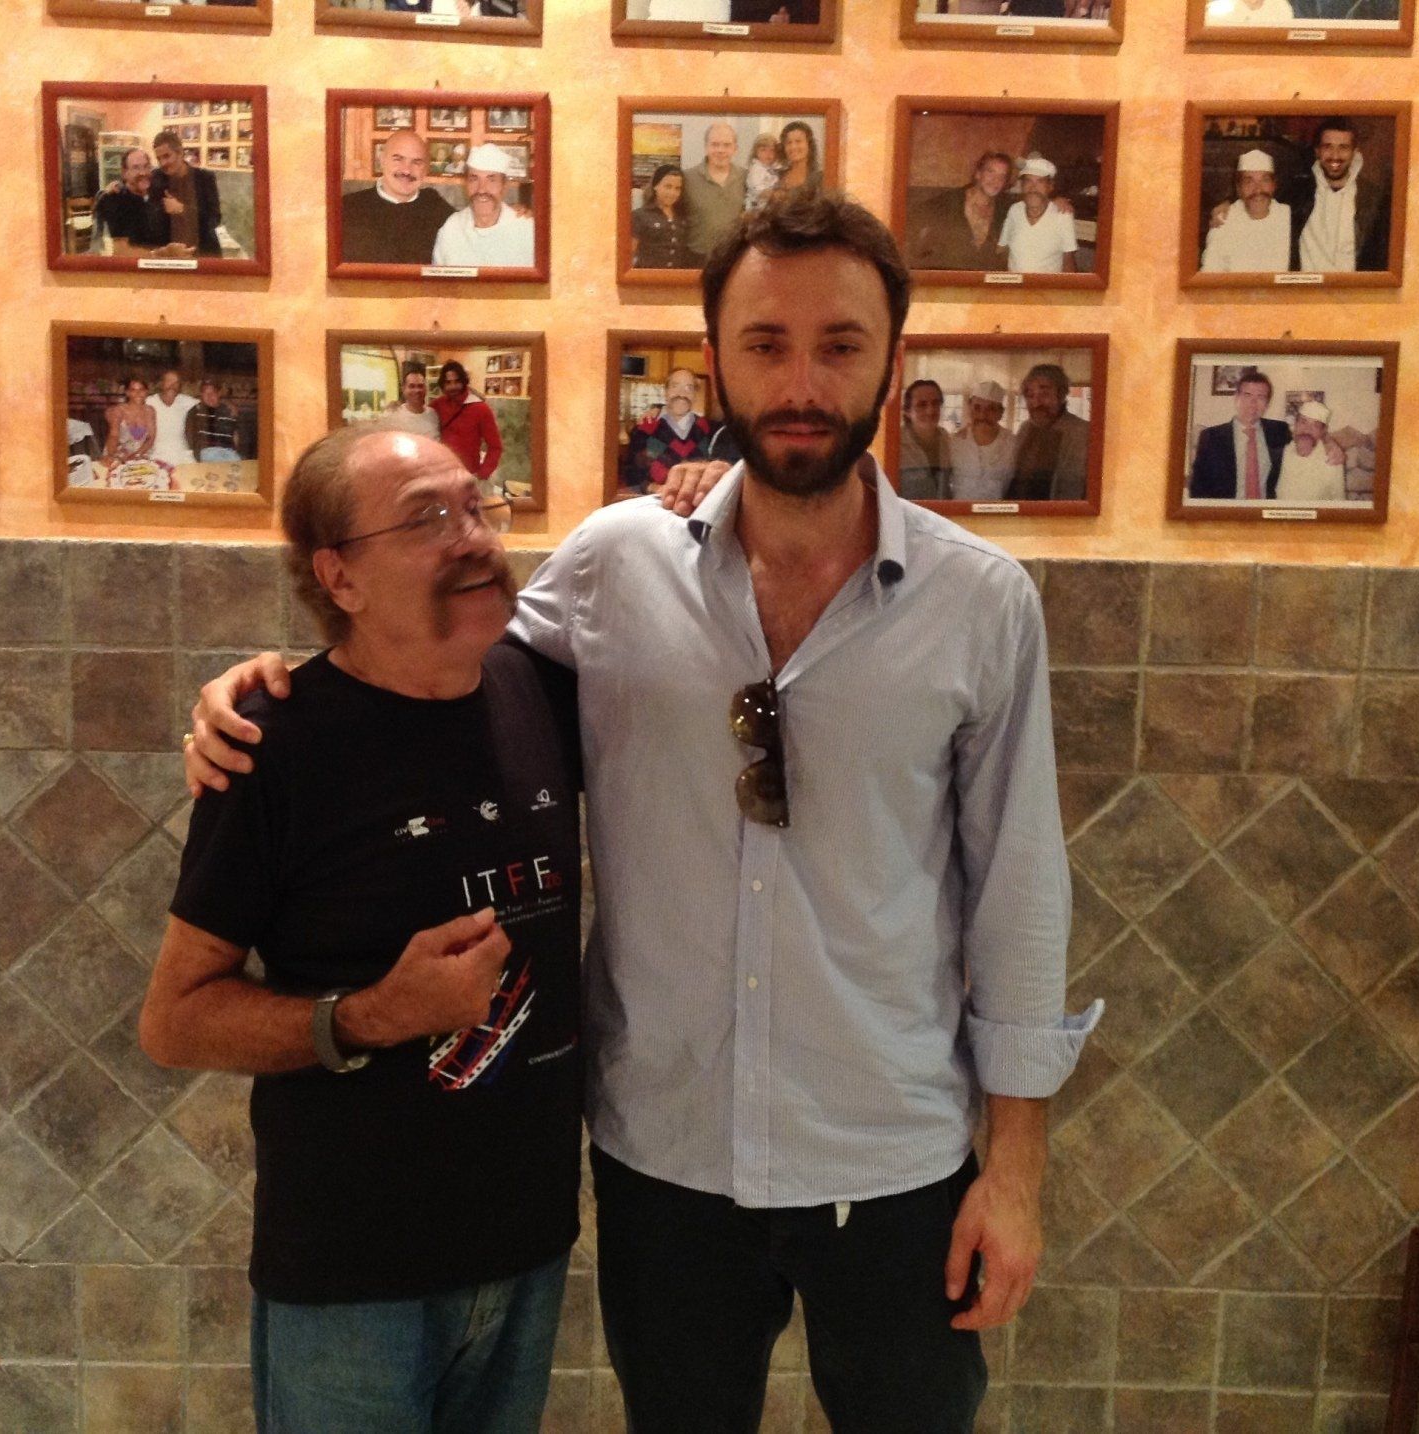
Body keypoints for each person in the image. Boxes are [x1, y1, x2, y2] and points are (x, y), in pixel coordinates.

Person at [189, 189, 1100, 1434]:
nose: (801, 384)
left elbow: (1020, 894)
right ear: (715, 355)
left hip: (894, 1155)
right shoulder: (617, 563)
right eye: (766, 343)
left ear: (893, 358)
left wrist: (1019, 1172)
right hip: (665, 1161)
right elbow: (428, 658)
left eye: (839, 344)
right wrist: (267, 687)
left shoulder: (980, 604)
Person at [142, 426, 586, 1433]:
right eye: (427, 519)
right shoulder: (272, 746)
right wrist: (377, 1014)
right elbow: (174, 1020)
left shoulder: (543, 693)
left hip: (528, 1246)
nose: (473, 537)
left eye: (477, 505)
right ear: (339, 576)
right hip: (354, 1276)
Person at [1279, 117, 1388, 272]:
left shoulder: (1373, 199)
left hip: (1354, 286)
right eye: (1327, 146)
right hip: (1306, 285)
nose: (1335, 155)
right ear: (1317, 151)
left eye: (1343, 147)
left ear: (1354, 152)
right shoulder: (1295, 192)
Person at [339, 131, 456, 265]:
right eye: (398, 159)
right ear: (381, 160)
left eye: (416, 162)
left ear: (425, 169)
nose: (406, 170)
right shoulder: (347, 208)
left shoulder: (437, 208)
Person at [1188, 368, 1290, 500]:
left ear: (1267, 404)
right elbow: (1198, 487)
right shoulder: (1211, 437)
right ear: (1236, 398)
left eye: (1260, 397)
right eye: (1247, 395)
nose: (1253, 403)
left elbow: (1303, 448)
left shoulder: (1279, 430)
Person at [906, 151, 1014, 272]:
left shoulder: (1006, 210)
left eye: (1002, 176)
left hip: (984, 280)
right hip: (949, 277)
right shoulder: (950, 201)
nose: (996, 180)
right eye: (990, 172)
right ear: (978, 174)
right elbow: (913, 218)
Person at [433, 143, 536, 268]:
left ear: (504, 186)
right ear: (466, 185)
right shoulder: (452, 228)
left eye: (491, 179)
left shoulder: (526, 229)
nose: (481, 189)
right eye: (474, 179)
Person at [622, 366, 714, 492]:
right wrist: (652, 487)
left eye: (689, 388)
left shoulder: (707, 430)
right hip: (654, 501)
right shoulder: (644, 429)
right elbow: (631, 473)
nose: (682, 394)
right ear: (665, 391)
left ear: (695, 395)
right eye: (675, 386)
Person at [1200, 150, 1293, 273]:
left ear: (1274, 185)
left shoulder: (1289, 216)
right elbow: (1210, 272)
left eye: (1265, 180)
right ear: (1238, 188)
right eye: (1249, 181)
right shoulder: (1223, 220)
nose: (1258, 189)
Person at [1006, 363, 1089, 500]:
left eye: (1044, 394)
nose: (1036, 403)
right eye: (1030, 395)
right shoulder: (1025, 429)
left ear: (1061, 395)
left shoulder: (1082, 433)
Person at [997, 156, 1078, 274]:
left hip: (1046, 284)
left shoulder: (1062, 214)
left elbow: (1068, 260)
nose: (1033, 187)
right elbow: (1002, 248)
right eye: (1028, 181)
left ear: (1050, 186)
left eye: (1040, 181)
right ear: (1021, 185)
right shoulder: (1014, 210)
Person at [150, 130, 224, 258]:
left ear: (180, 153)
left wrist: (182, 209)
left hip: (203, 252)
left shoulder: (204, 178)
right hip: (170, 255)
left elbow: (214, 219)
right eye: (159, 158)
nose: (162, 163)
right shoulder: (156, 177)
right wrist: (117, 188)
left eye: (166, 156)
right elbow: (151, 217)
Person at [681, 122, 746, 265]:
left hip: (734, 258)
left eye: (727, 145)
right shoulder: (687, 178)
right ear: (706, 147)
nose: (721, 150)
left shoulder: (747, 177)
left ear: (735, 149)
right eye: (715, 144)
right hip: (696, 259)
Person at [431, 361, 503, 482]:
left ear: (464, 382)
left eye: (457, 381)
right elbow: (419, 413)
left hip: (468, 475)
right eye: (448, 382)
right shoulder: (438, 405)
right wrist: (398, 407)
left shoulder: (481, 408)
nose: (453, 386)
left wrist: (482, 474)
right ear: (442, 385)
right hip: (442, 474)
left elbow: (495, 447)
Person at [90, 148, 171, 254]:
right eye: (136, 168)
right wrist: (160, 254)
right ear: (124, 173)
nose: (143, 172)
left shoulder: (159, 195)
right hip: (131, 264)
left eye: (146, 166)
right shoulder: (113, 200)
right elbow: (120, 251)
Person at [950, 380, 1017, 501]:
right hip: (957, 510)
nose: (982, 415)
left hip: (996, 511)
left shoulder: (1013, 444)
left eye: (991, 409)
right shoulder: (955, 442)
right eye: (977, 408)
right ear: (969, 408)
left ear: (1001, 413)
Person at [1273, 400, 1347, 502]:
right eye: (1303, 422)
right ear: (1295, 424)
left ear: (1322, 431)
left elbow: (1339, 501)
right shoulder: (1281, 450)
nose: (1307, 429)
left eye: (1315, 425)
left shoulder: (1332, 459)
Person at [896, 378, 954, 499]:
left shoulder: (948, 440)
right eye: (922, 405)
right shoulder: (895, 443)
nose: (930, 411)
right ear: (907, 411)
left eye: (935, 403)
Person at [630, 163, 694, 269]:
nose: (672, 193)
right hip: (648, 275)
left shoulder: (683, 217)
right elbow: (629, 253)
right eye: (668, 187)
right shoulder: (639, 216)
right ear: (655, 186)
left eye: (677, 188)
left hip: (676, 276)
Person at [148, 369, 200, 467]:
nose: (172, 385)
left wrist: (228, 404)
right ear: (161, 384)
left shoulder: (185, 400)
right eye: (169, 381)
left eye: (176, 382)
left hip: (182, 453)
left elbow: (206, 400)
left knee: (196, 474)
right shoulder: (150, 401)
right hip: (158, 453)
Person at [104, 377, 157, 466]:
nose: (138, 393)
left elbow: (151, 438)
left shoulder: (150, 411)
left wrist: (137, 455)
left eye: (141, 389)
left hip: (142, 452)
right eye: (133, 390)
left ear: (146, 392)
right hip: (119, 452)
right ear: (127, 392)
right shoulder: (119, 410)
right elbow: (113, 436)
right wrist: (111, 455)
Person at [188, 378, 243, 462]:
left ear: (219, 393)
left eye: (213, 392)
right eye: (205, 393)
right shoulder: (196, 411)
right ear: (201, 395)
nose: (209, 396)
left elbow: (236, 434)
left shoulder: (229, 410)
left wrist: (236, 450)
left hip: (229, 451)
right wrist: (195, 455)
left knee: (239, 465)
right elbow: (189, 435)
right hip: (207, 451)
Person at [382, 366, 442, 439]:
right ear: (403, 389)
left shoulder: (433, 414)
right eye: (412, 386)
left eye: (420, 386)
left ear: (426, 388)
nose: (417, 390)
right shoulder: (393, 414)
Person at [773, 120, 821, 197]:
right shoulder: (776, 176)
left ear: (809, 145)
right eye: (789, 142)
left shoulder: (819, 179)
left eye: (798, 141)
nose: (793, 147)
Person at [744, 133, 781, 211]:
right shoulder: (756, 169)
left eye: (772, 150)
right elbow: (758, 190)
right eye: (763, 150)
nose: (768, 154)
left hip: (769, 207)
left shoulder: (774, 167)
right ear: (756, 152)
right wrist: (775, 194)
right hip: (755, 207)